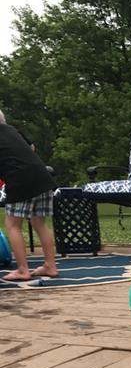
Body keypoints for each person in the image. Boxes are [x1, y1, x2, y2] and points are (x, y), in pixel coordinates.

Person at [0, 109, 58, 281]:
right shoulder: (12, 131)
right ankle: (50, 266)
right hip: (43, 177)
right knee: (39, 222)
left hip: (20, 181)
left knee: (12, 224)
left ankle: (22, 270)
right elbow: (32, 148)